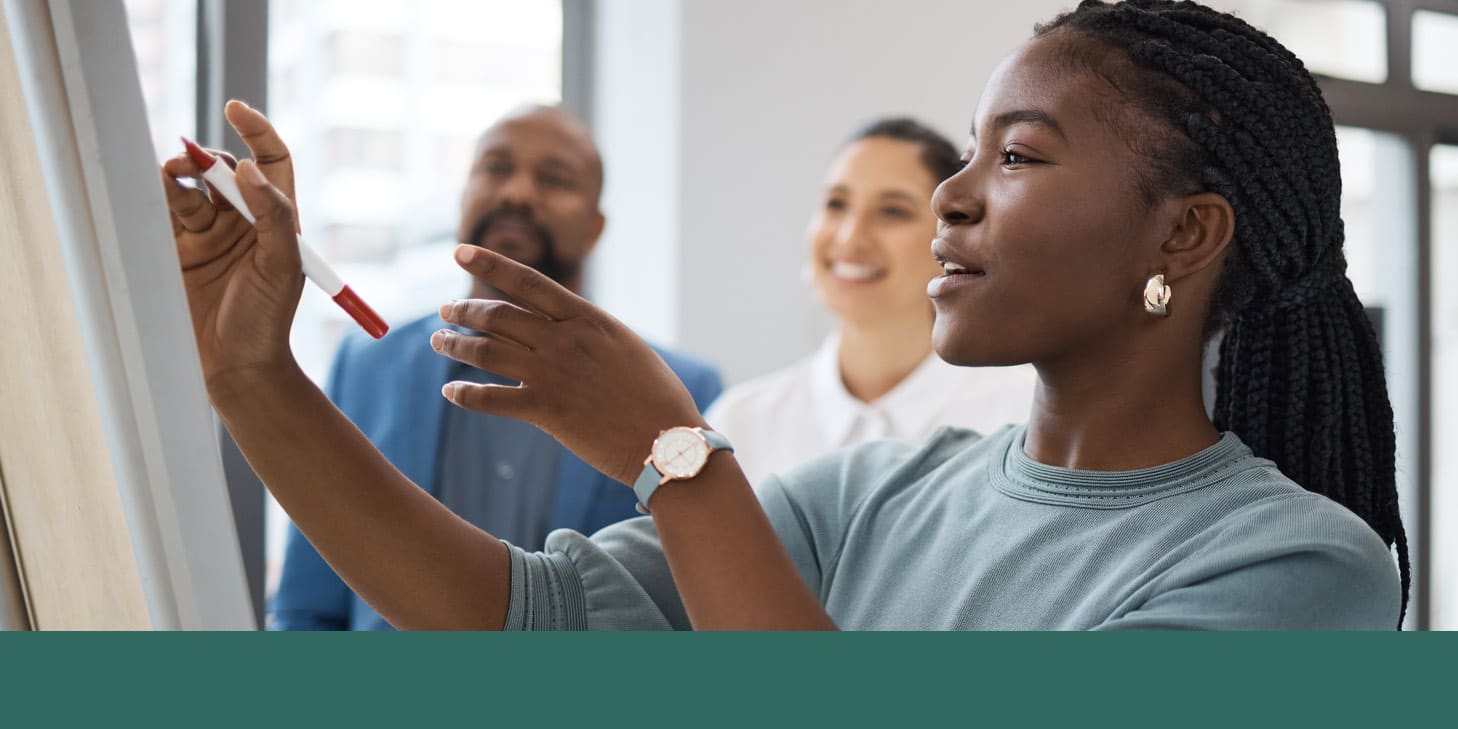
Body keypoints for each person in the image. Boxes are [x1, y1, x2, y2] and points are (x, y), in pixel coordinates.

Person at [162, 0, 1406, 630]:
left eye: (1017, 157)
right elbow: (519, 622)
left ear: (1184, 234)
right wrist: (252, 378)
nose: (954, 199)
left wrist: (676, 460)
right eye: (967, 154)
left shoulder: (1297, 567)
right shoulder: (879, 494)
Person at [266, 105, 723, 630]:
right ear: (463, 196)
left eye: (555, 179)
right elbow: (306, 606)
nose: (517, 193)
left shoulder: (685, 389)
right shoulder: (367, 365)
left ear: (595, 229)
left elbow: (692, 607)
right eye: (496, 168)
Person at [706, 118, 1036, 486]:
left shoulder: (1023, 417)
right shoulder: (739, 424)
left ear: (949, 236)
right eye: (836, 204)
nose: (849, 239)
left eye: (892, 211)